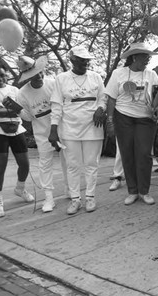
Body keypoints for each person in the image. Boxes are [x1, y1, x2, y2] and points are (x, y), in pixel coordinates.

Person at [48, 46, 106, 215]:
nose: (84, 63)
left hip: (93, 127)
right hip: (69, 128)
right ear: (72, 60)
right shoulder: (62, 78)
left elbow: (102, 98)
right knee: (73, 165)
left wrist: (101, 108)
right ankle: (75, 199)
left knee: (91, 164)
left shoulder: (96, 77)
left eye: (86, 60)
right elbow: (57, 105)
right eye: (80, 60)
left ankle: (90, 197)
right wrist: (53, 129)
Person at [105, 42, 158, 206]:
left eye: (148, 57)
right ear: (135, 57)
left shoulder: (151, 74)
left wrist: (157, 108)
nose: (147, 60)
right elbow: (111, 98)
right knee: (127, 153)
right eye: (145, 56)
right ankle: (132, 191)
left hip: (145, 119)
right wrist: (110, 121)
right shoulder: (118, 73)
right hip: (123, 117)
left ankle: (144, 191)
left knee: (144, 154)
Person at [15, 56, 69, 212]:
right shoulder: (23, 93)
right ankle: (49, 198)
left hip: (61, 127)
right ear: (27, 77)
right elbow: (28, 117)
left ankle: (70, 189)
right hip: (41, 132)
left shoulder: (53, 84)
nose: (39, 76)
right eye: (34, 75)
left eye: (40, 72)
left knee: (68, 160)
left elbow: (63, 105)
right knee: (45, 164)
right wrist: (17, 110)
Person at [0, 59, 35, 217]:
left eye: (2, 75)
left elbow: (24, 112)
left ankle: (20, 188)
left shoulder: (15, 90)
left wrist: (13, 108)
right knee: (0, 167)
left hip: (17, 129)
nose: (0, 79)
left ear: (7, 76)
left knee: (25, 164)